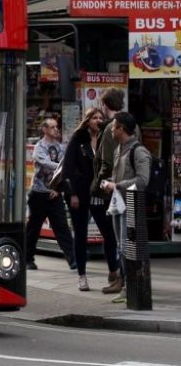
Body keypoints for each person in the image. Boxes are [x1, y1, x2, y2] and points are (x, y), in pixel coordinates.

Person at [90, 87, 136, 295]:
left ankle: (122, 279)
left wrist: (99, 185)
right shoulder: (131, 124)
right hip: (130, 186)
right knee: (127, 237)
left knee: (119, 238)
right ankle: (128, 279)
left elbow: (107, 162)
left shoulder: (113, 128)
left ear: (105, 105)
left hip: (116, 189)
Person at [62, 107, 114, 291]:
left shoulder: (104, 138)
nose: (98, 120)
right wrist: (72, 193)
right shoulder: (79, 138)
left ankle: (113, 271)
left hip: (99, 193)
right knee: (81, 233)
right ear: (88, 120)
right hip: (80, 192)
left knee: (108, 232)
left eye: (101, 118)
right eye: (94, 117)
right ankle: (82, 275)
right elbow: (68, 167)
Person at [102, 112, 150, 303]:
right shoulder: (118, 149)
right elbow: (118, 177)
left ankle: (132, 288)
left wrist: (117, 186)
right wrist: (109, 184)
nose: (111, 129)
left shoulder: (138, 151)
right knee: (122, 247)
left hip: (132, 204)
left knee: (129, 248)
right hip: (118, 205)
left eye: (114, 126)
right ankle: (128, 286)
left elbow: (143, 180)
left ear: (121, 129)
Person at [25, 118, 75, 271]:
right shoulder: (39, 147)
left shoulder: (61, 147)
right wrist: (63, 167)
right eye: (52, 127)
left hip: (54, 194)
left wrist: (58, 188)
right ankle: (27, 259)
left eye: (56, 127)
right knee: (33, 228)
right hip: (39, 193)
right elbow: (46, 163)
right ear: (45, 129)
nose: (56, 129)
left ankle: (73, 259)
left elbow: (65, 166)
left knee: (62, 227)